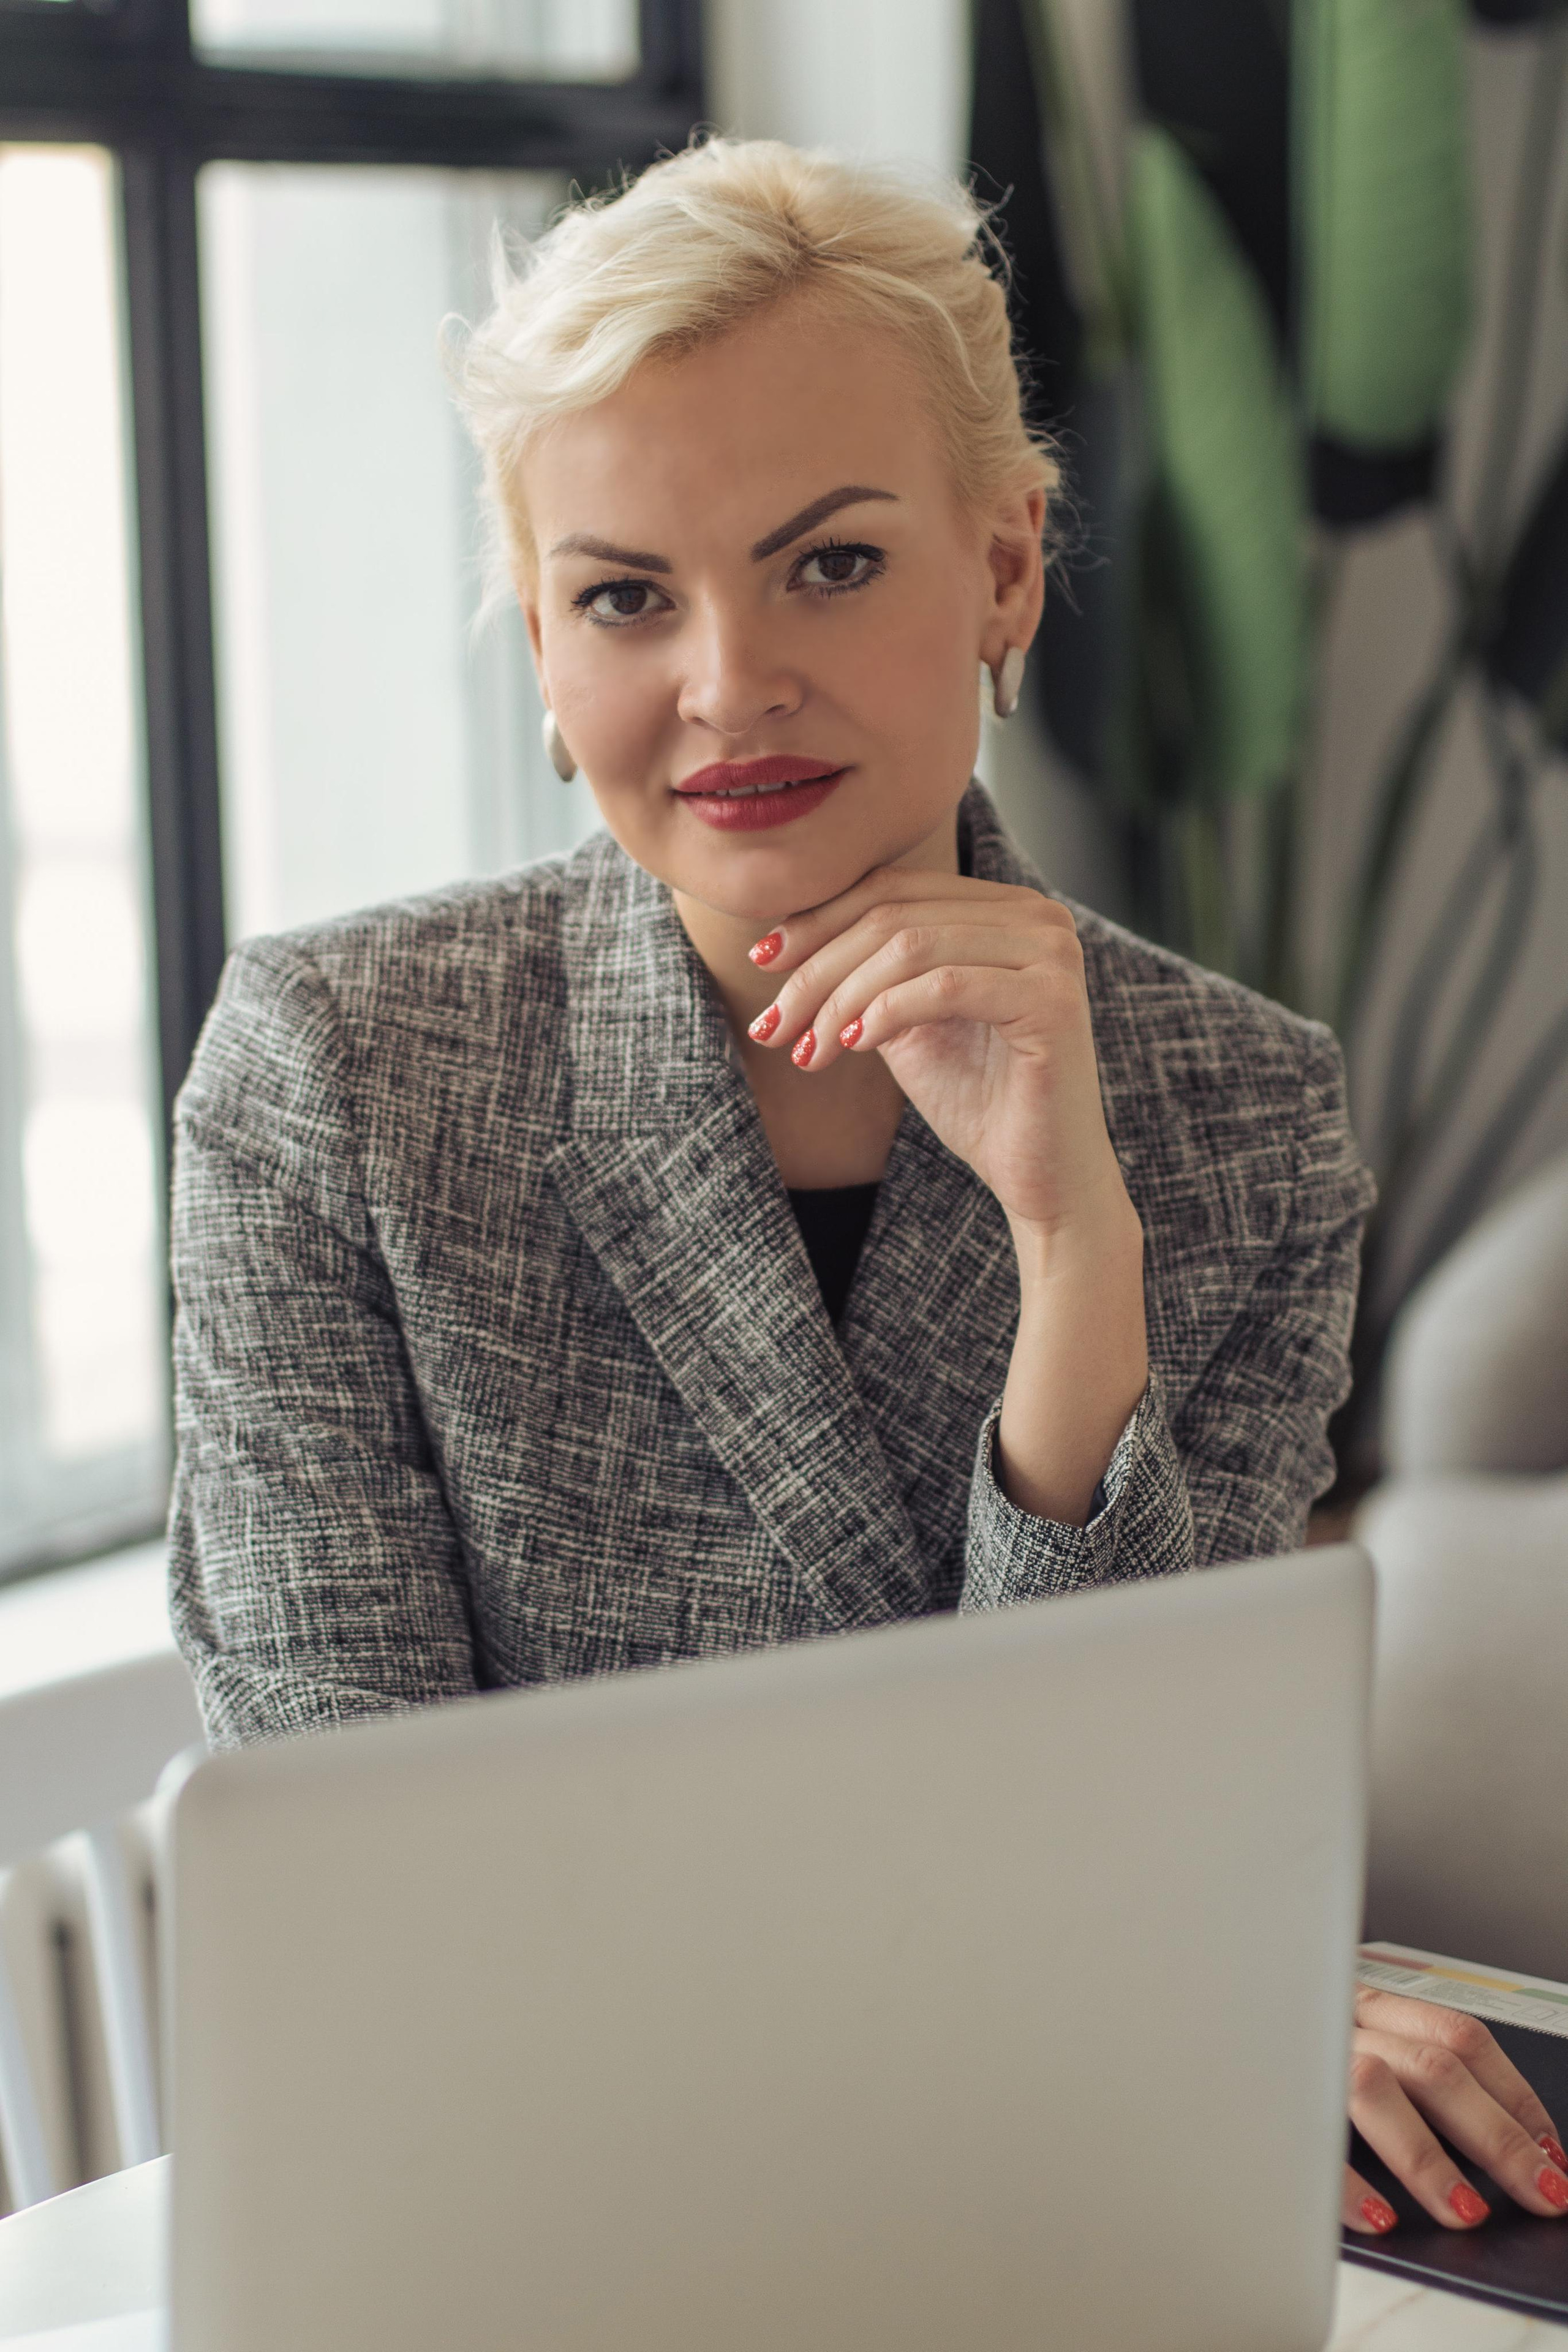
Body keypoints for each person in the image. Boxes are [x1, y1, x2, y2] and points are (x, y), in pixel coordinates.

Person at [167, 136, 1568, 2248]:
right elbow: (381, 1926)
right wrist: (1153, 1980)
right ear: (543, 648)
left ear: (1006, 570)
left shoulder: (1243, 1114)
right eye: (626, 594)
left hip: (1045, 2224)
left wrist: (1073, 1248)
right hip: (527, 2237)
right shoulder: (337, 1079)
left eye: (829, 563)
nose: (728, 684)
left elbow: (1149, 1836)